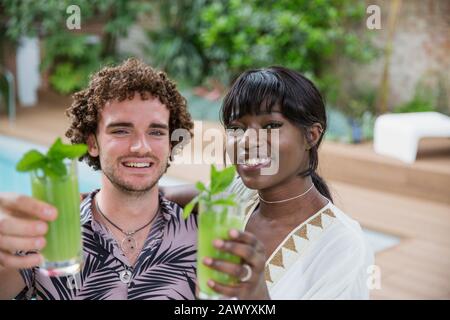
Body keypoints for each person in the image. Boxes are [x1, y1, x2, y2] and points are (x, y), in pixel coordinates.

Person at [163, 66, 375, 299]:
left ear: (311, 136)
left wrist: (257, 295)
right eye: (236, 128)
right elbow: (162, 197)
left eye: (271, 126)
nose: (247, 141)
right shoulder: (237, 193)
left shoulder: (343, 247)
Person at [0, 58, 198, 300]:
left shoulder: (201, 235)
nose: (141, 146)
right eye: (121, 130)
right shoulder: (43, 231)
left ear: (170, 143)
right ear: (93, 143)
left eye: (156, 132)